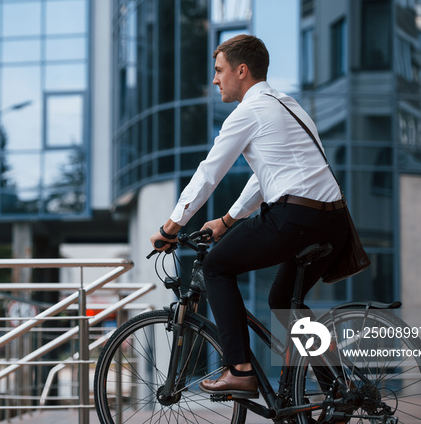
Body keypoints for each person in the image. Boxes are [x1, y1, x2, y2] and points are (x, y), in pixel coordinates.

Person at [150, 34, 349, 398]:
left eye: (219, 70)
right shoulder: (289, 106)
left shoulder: (249, 112)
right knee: (284, 303)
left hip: (296, 216)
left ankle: (239, 370)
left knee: (216, 267)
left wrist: (171, 226)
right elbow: (266, 177)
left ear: (242, 71)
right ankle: (339, 390)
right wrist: (226, 221)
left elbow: (209, 172)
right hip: (334, 221)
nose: (215, 80)